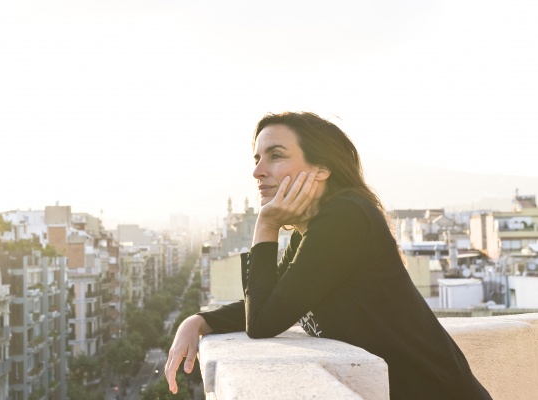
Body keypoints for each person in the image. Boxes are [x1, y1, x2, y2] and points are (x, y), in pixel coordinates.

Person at [164, 112, 492, 399]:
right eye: (257, 159)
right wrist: (201, 321)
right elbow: (276, 300)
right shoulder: (313, 227)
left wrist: (266, 224)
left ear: (321, 169)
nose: (258, 172)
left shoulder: (347, 217)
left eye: (275, 156)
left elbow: (262, 322)